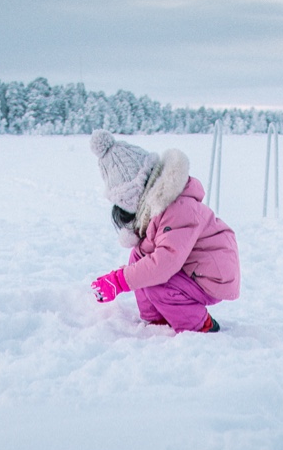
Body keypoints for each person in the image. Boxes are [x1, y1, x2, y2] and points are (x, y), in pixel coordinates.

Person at [88, 131, 240, 333]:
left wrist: (118, 281)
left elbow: (164, 264)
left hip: (211, 275)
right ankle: (157, 319)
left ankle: (200, 324)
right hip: (191, 269)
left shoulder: (178, 209)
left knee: (157, 281)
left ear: (136, 198)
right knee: (139, 256)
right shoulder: (160, 209)